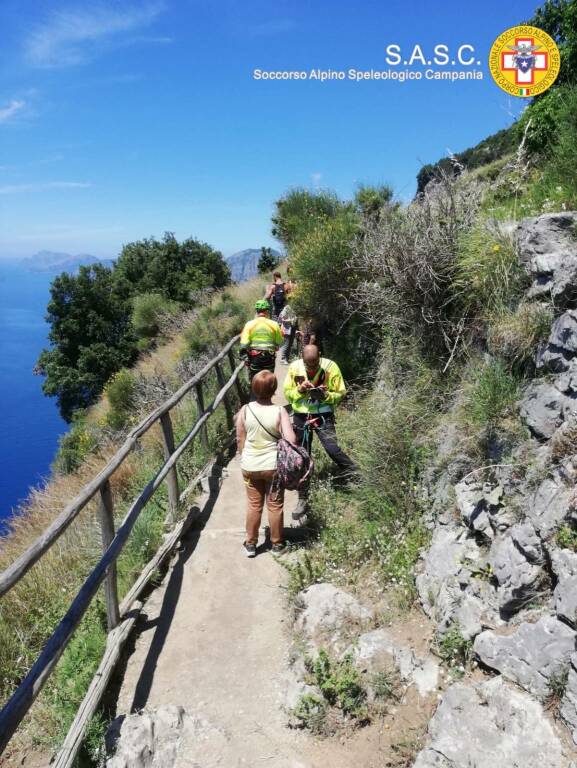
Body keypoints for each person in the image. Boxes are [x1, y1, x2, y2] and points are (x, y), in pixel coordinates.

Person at [284, 344, 357, 515]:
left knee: (332, 448)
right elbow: (287, 393)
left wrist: (326, 396)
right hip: (301, 416)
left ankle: (356, 474)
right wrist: (300, 391)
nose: (312, 368)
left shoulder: (331, 367)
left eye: (315, 364)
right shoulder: (294, 367)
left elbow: (340, 392)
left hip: (324, 416)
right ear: (302, 359)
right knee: (303, 456)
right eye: (309, 365)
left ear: (320, 357)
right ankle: (303, 497)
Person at [236, 370, 296, 557]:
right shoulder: (280, 411)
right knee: (275, 505)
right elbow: (291, 440)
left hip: (250, 466)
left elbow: (240, 438)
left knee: (254, 505)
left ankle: (251, 544)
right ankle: (277, 544)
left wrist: (243, 456)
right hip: (273, 466)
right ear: (274, 389)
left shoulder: (245, 410)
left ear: (254, 388)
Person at [239, 300, 282, 381]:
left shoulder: (249, 324)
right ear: (267, 311)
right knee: (269, 379)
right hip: (269, 356)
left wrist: (244, 357)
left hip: (255, 357)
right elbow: (279, 341)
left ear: (257, 311)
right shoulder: (274, 324)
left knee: (255, 379)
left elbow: (243, 344)